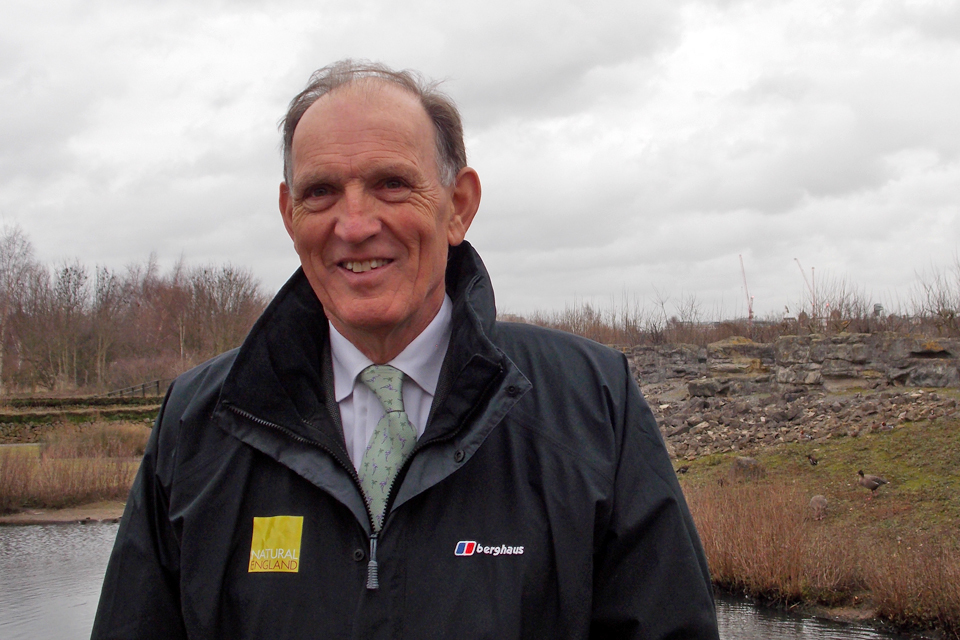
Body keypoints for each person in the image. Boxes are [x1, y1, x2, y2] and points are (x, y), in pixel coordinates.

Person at [92, 60, 719, 639]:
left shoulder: (594, 402)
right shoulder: (200, 421)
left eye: (392, 184)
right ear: (289, 216)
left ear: (459, 206)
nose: (356, 223)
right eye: (321, 192)